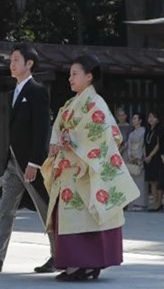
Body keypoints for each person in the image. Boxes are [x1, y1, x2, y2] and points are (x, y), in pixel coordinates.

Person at [41, 55, 139, 281]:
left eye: (75, 74)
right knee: (74, 216)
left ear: (89, 76)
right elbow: (58, 128)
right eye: (70, 75)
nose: (70, 79)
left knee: (88, 213)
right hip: (70, 168)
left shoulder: (96, 103)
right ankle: (78, 263)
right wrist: (58, 143)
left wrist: (71, 138)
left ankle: (86, 264)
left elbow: (106, 133)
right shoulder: (70, 104)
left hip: (86, 167)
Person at [0, 44, 55, 274]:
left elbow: (42, 129)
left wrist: (35, 162)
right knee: (5, 209)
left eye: (16, 59)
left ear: (29, 64)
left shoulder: (37, 90)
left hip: (31, 164)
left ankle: (59, 254)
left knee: (46, 208)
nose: (12, 63)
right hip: (14, 163)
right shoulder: (13, 92)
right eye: (11, 60)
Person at [123, 113, 146, 211]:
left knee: (140, 181)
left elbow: (141, 145)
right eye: (133, 119)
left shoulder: (143, 131)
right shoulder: (132, 133)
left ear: (140, 121)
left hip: (138, 157)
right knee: (133, 181)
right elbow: (128, 145)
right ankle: (134, 203)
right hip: (131, 156)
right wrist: (129, 156)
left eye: (135, 119)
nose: (133, 120)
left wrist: (137, 157)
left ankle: (141, 203)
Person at [144, 112, 162, 212]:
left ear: (157, 120)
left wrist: (150, 155)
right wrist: (145, 155)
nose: (151, 119)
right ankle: (154, 202)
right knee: (151, 181)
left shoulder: (159, 130)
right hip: (147, 157)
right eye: (150, 117)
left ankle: (158, 203)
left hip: (156, 157)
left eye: (154, 117)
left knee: (157, 181)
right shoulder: (147, 130)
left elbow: (158, 145)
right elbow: (144, 144)